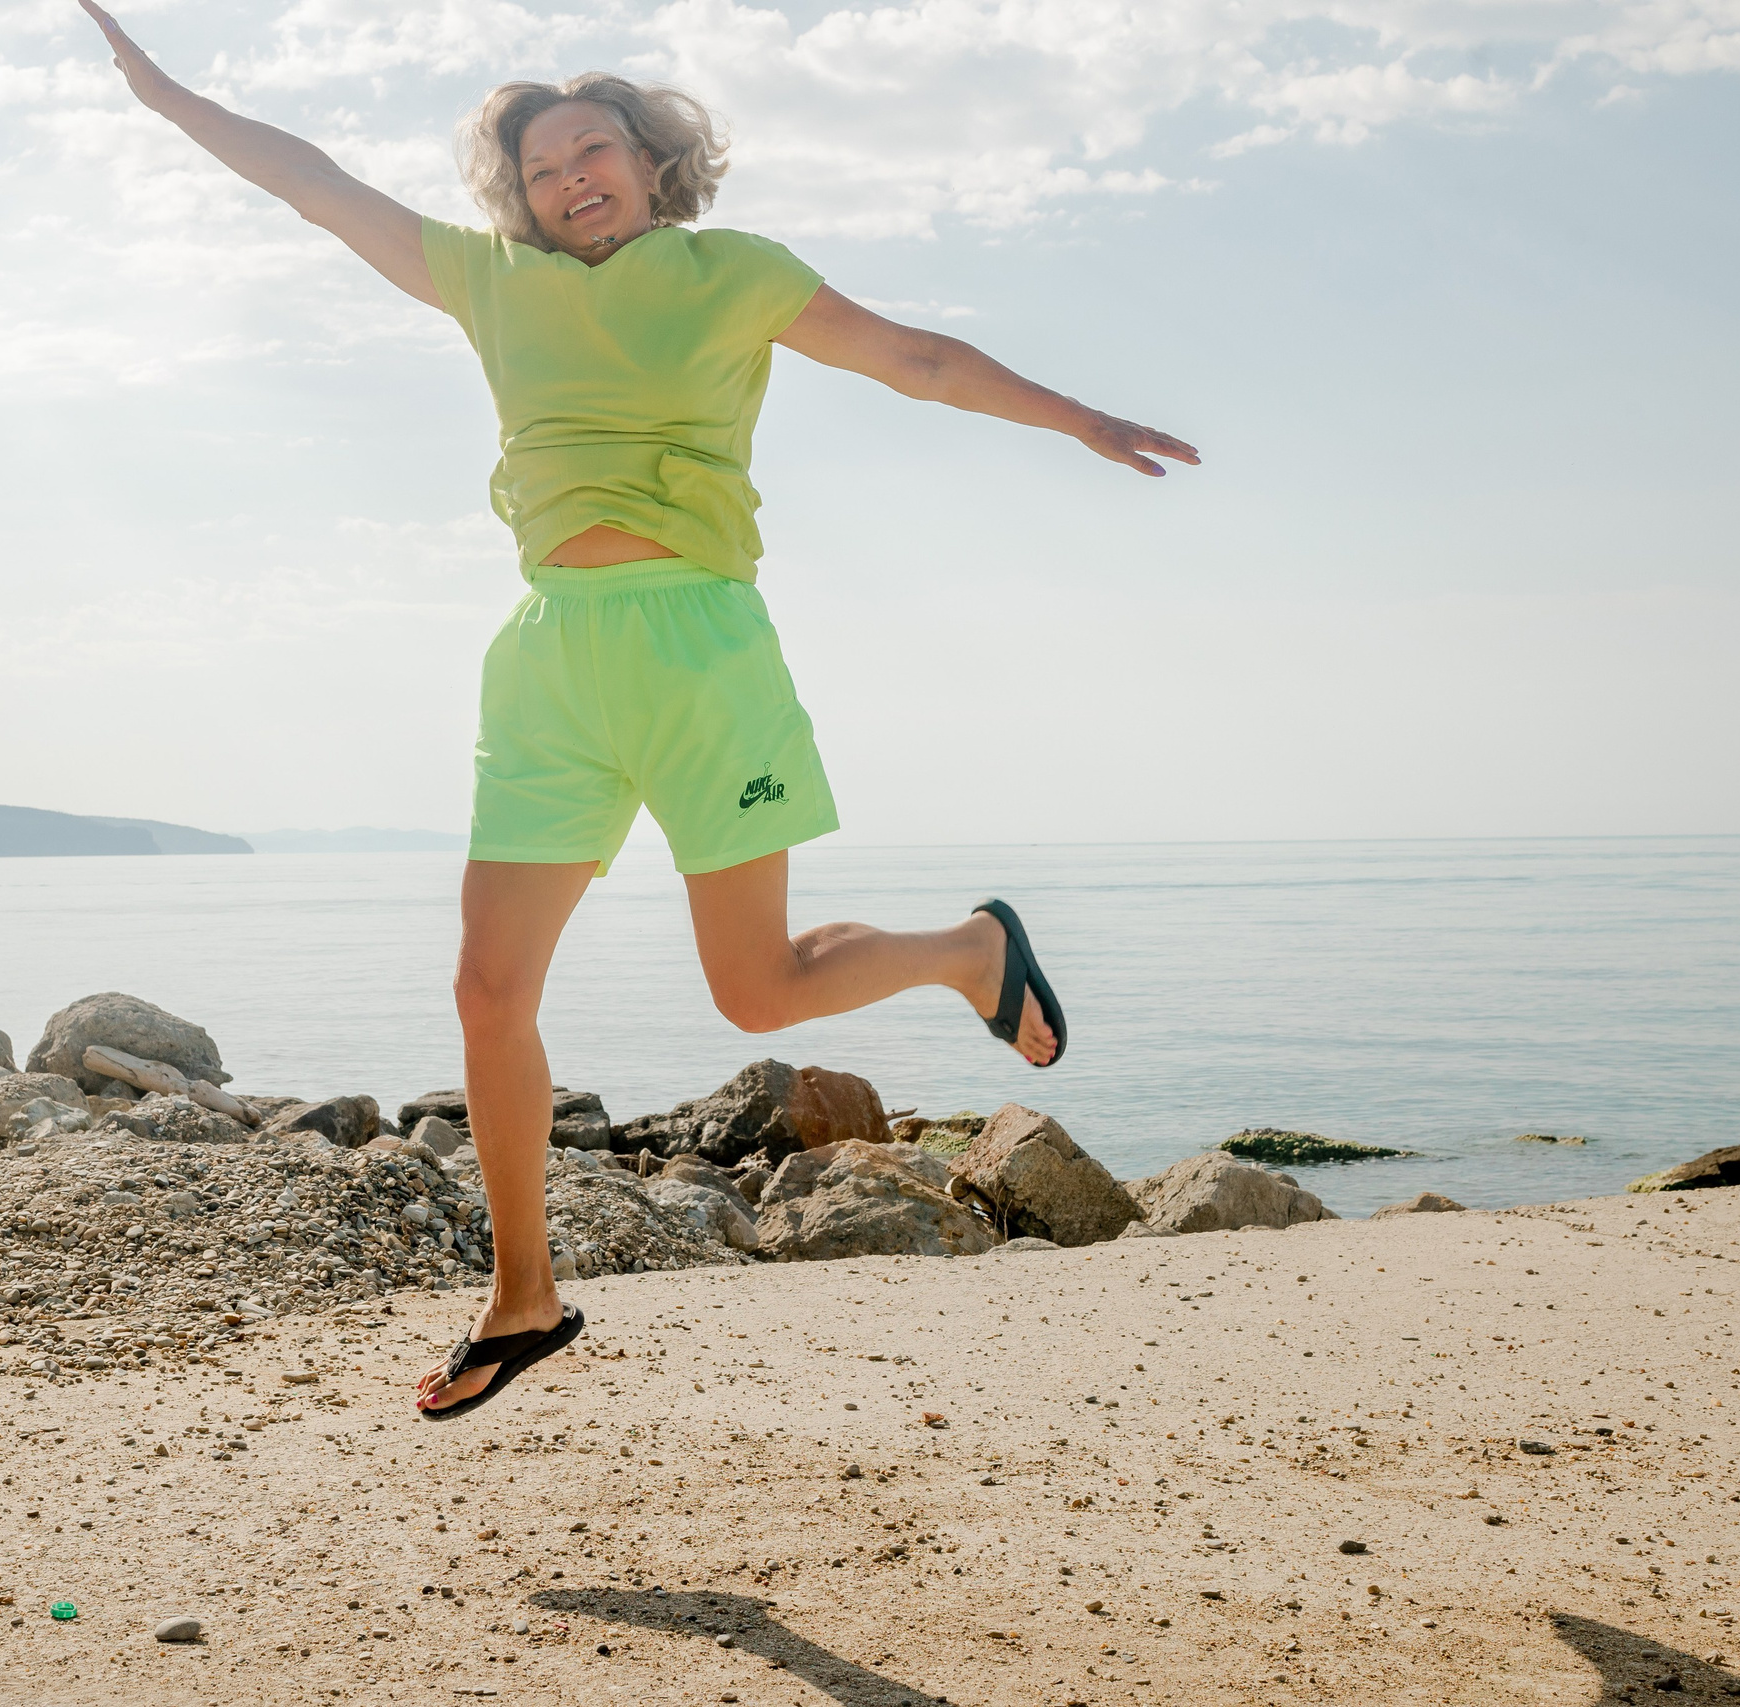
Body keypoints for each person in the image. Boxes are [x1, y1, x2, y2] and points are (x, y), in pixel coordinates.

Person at [79, 1, 1199, 1419]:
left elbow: (914, 357)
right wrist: (172, 98)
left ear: (655, 161)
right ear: (524, 195)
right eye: (543, 168)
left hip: (699, 649)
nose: (570, 179)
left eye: (593, 149)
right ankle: (522, 1298)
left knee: (756, 989)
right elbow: (317, 188)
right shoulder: (493, 283)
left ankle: (970, 952)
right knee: (488, 988)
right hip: (551, 657)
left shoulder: (729, 273)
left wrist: (1081, 419)